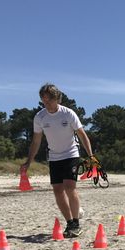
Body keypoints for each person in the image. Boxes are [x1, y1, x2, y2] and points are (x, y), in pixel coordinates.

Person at [20, 83, 94, 238]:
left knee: (69, 187)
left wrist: (91, 155)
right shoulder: (40, 117)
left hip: (71, 154)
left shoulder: (68, 114)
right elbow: (36, 141)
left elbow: (82, 135)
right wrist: (29, 161)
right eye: (43, 100)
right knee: (57, 190)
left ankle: (76, 223)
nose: (46, 104)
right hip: (54, 157)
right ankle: (70, 223)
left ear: (57, 99)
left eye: (49, 100)